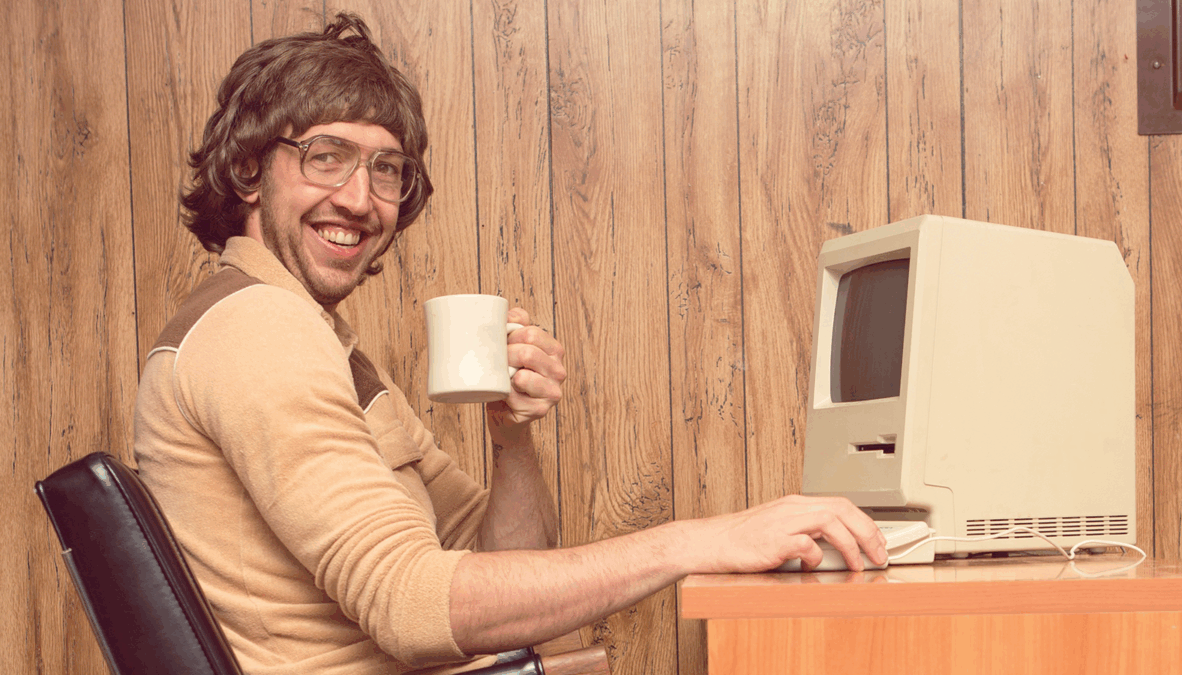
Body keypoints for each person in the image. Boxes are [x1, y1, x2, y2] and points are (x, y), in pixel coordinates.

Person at [133, 13, 888, 675]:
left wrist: (511, 435)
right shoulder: (258, 330)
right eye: (325, 156)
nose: (360, 199)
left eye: (385, 169)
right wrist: (700, 542)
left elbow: (501, 567)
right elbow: (411, 605)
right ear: (248, 171)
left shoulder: (313, 337)